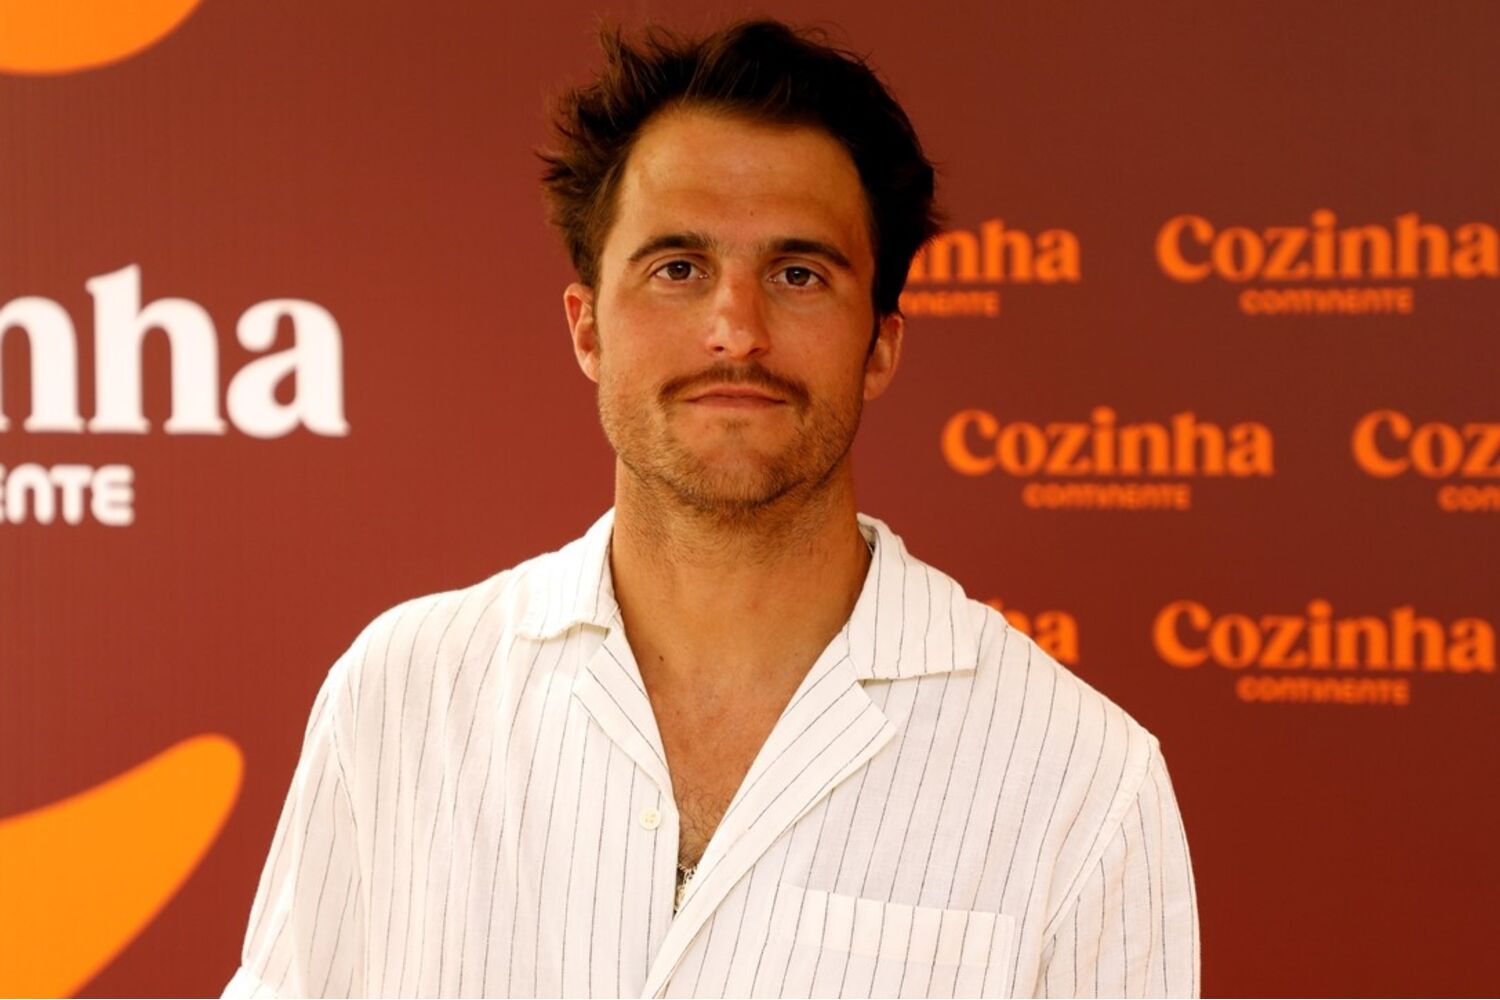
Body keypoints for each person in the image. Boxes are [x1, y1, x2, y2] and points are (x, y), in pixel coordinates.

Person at [224, 19, 1198, 999]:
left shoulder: (1081, 779)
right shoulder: (403, 696)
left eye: (798, 274)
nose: (736, 330)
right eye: (678, 269)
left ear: (881, 345)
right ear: (587, 329)